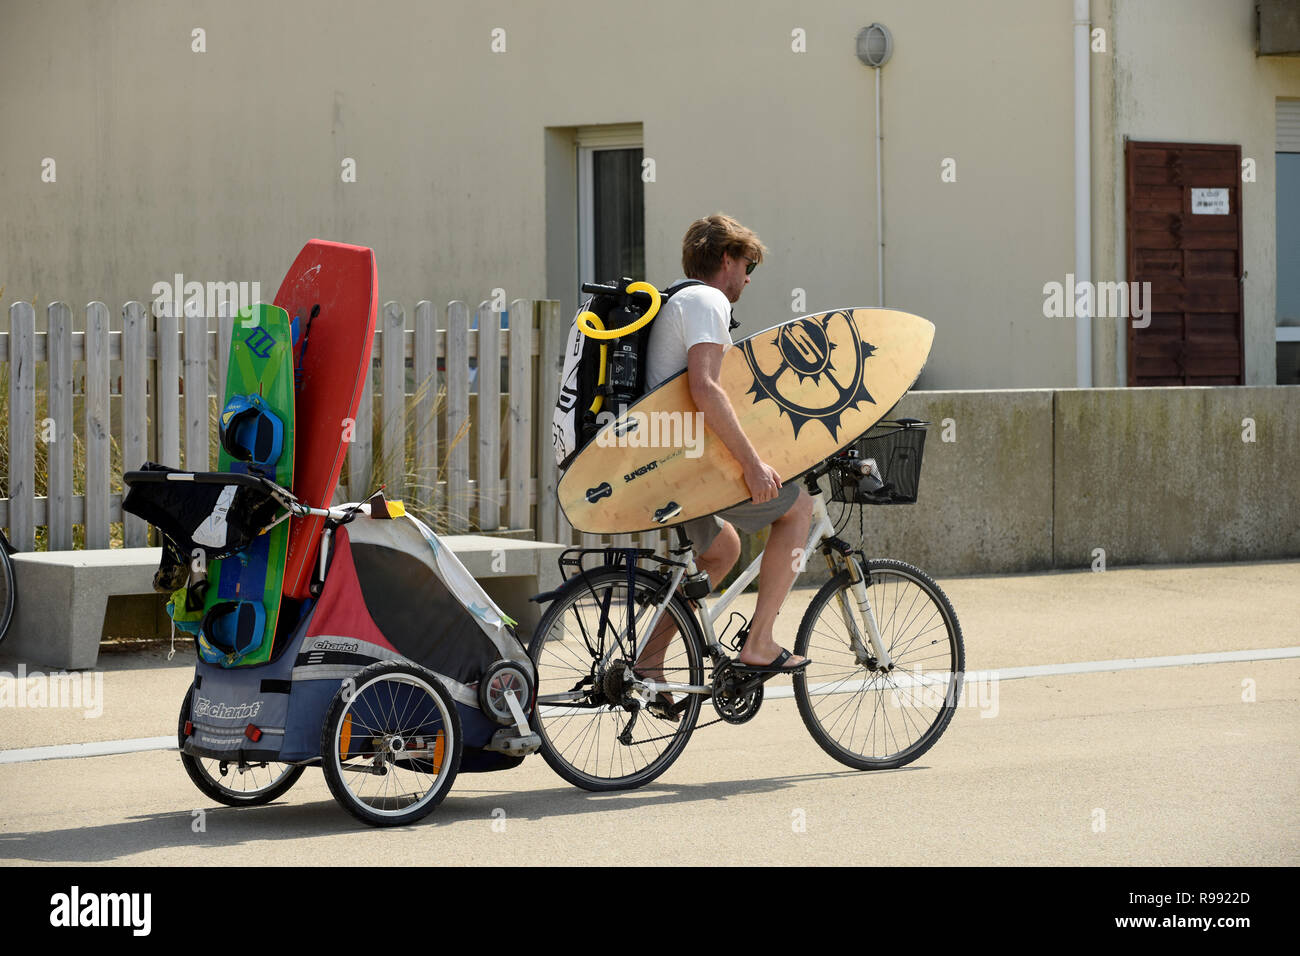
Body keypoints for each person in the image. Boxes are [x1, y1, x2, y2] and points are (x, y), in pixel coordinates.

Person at [635, 213, 813, 716]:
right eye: (748, 263)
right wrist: (754, 465)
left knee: (722, 551)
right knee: (796, 509)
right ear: (727, 259)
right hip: (684, 461)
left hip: (661, 459)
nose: (750, 277)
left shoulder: (677, 299)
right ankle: (759, 643)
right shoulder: (707, 300)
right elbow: (706, 388)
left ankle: (649, 659)